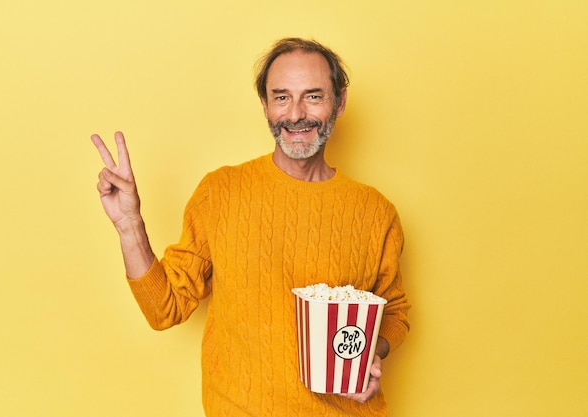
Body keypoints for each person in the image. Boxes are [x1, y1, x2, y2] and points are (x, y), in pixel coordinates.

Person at [92, 37, 410, 417]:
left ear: (339, 103)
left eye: (313, 96)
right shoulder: (221, 193)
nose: (295, 115)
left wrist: (372, 352)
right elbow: (165, 309)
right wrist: (130, 225)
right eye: (281, 97)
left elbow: (394, 310)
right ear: (265, 106)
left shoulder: (375, 212)